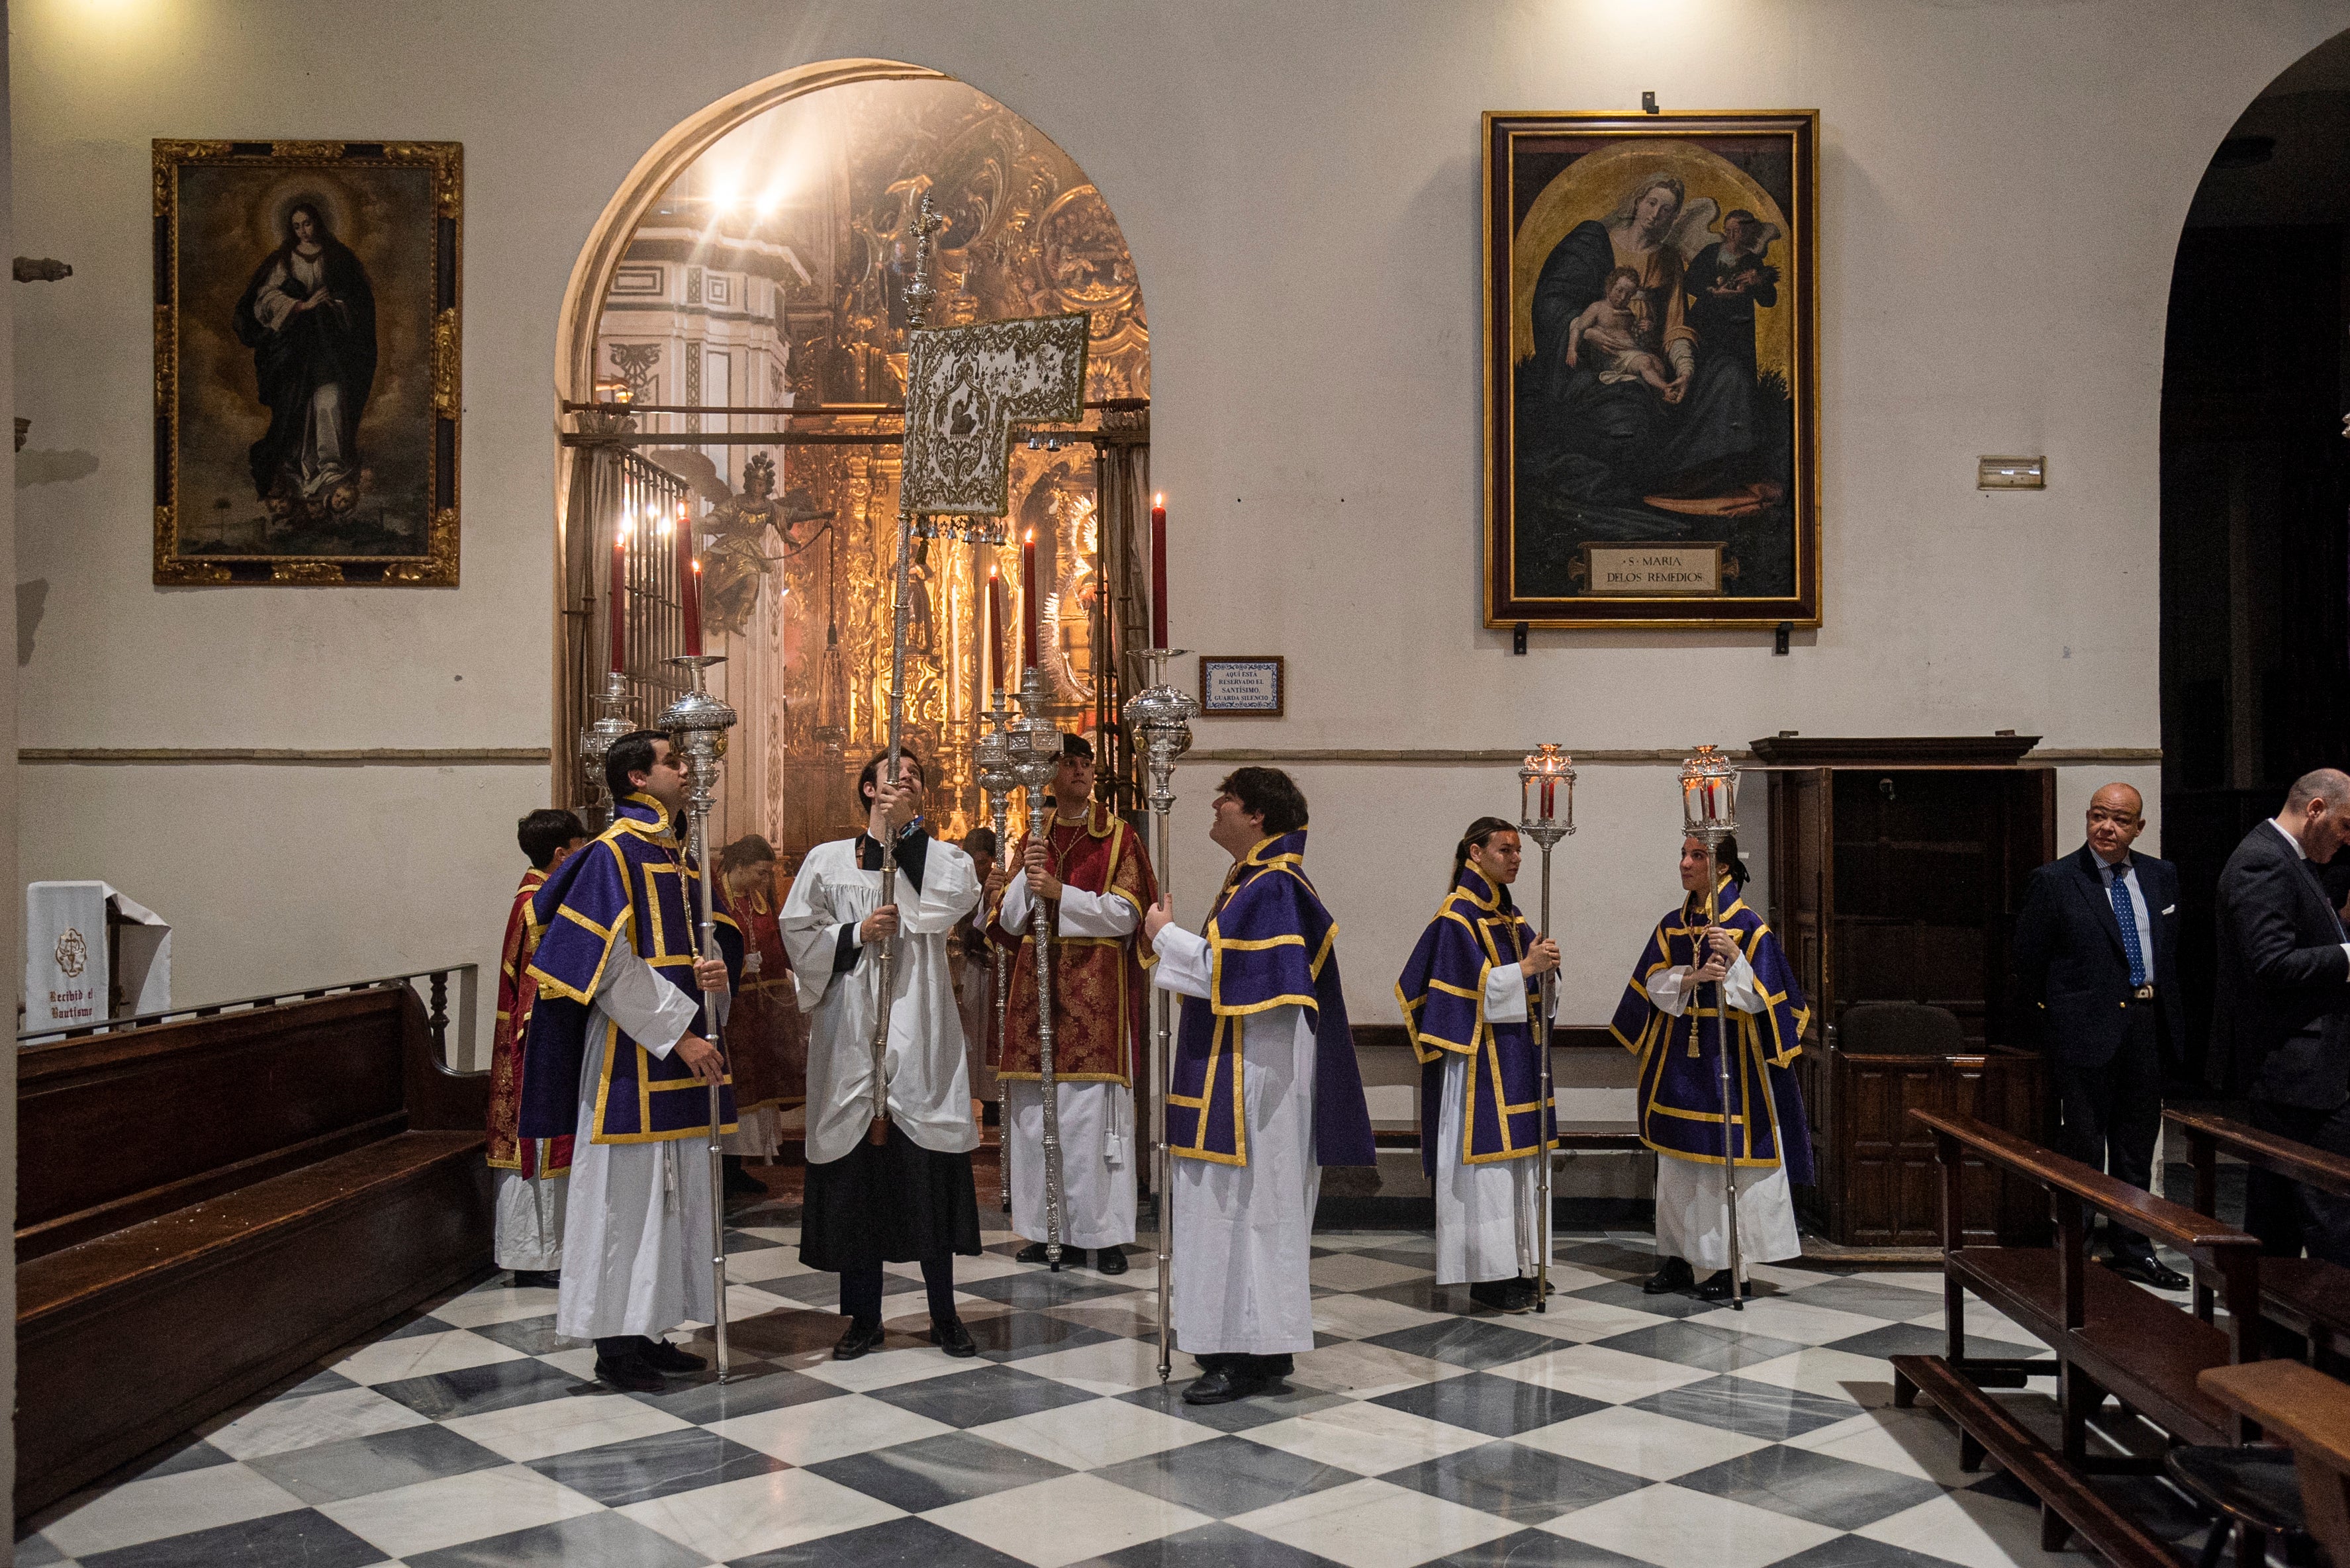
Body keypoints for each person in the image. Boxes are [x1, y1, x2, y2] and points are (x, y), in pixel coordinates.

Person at [1141, 766, 1375, 1403]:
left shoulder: (1273, 885)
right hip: (1243, 1069)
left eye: (1229, 798)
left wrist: (1163, 936)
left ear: (1258, 816)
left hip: (1254, 1081)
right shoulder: (1254, 880)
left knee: (1242, 1213)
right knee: (1248, 1212)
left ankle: (1242, 1355)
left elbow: (1236, 976)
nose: (1216, 805)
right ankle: (1261, 1345)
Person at [519, 731, 738, 1392]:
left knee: (673, 1200)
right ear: (637, 778)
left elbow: (701, 947)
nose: (687, 769)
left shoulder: (679, 856)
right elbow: (605, 964)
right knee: (624, 1201)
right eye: (674, 761)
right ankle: (615, 1346)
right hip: (629, 1053)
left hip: (678, 1043)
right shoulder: (611, 854)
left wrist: (714, 977)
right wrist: (680, 1034)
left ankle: (651, 1328)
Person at [782, 749, 984, 1360]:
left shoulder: (943, 857)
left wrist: (911, 833)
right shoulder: (826, 860)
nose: (905, 779)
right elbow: (799, 933)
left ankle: (945, 1314)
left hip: (918, 1030)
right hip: (851, 1031)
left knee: (927, 1178)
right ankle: (863, 1318)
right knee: (858, 1187)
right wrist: (855, 933)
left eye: (915, 775)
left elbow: (956, 899)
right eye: (894, 773)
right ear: (868, 788)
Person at [984, 733, 1160, 1274]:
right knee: (1036, 1119)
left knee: (1090, 1124)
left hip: (1094, 993)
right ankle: (1046, 1230)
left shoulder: (1118, 835)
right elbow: (1008, 920)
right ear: (1049, 773)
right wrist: (1023, 878)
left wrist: (1063, 894)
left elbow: (1129, 913)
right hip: (1036, 994)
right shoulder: (1033, 836)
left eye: (1087, 763)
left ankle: (1102, 1235)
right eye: (1069, 763)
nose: (1081, 771)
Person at [1609, 834, 1811, 1300]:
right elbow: (1651, 985)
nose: (1685, 863)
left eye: (1697, 855)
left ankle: (1729, 1265)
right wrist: (1693, 977)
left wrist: (1737, 961)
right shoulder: (1671, 927)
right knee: (1678, 1165)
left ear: (1722, 866)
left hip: (1734, 1067)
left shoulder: (1749, 928)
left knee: (1725, 1170)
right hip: (1680, 1065)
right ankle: (1677, 1258)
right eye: (1683, 854)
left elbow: (1772, 1002)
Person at [2012, 783, 2186, 1287]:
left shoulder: (2161, 875)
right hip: (2084, 1031)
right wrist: (2059, 1021)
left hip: (2147, 1024)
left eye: (2120, 820)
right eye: (2098, 816)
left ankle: (2134, 1248)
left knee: (2136, 1147)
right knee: (2083, 1147)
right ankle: (2075, 1252)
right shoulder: (2055, 880)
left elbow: (2171, 953)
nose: (2106, 827)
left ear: (2139, 827)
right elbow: (2028, 962)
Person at [1396, 817, 1560, 1313]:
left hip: (1516, 1060)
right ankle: (1489, 1276)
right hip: (1477, 1069)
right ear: (1475, 853)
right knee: (1487, 1177)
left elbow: (1535, 990)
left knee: (1517, 1169)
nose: (1515, 858)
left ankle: (1521, 1263)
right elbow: (1465, 994)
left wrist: (1546, 973)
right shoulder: (1457, 917)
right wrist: (1527, 968)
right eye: (1505, 849)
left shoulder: (1511, 917)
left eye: (1518, 851)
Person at [2210, 768, 2350, 1264]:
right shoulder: (2264, 861)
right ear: (2316, 809)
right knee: (2329, 1214)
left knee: (2281, 1215)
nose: (2348, 839)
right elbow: (2271, 963)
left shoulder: (2288, 858)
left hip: (2304, 1073)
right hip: (2299, 1075)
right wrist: (2348, 956)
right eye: (2346, 825)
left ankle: (2267, 1311)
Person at [487, 807, 587, 1289]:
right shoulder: (538, 903)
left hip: (539, 1038)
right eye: (580, 849)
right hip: (536, 1044)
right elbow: (537, 986)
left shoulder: (537, 895)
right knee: (542, 1144)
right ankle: (536, 1256)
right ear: (561, 855)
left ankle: (541, 1254)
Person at [232, 201, 377, 510]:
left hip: (330, 347)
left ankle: (330, 468)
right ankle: (300, 472)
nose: (303, 231)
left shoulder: (338, 258)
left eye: (308, 224)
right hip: (295, 351)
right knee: (296, 408)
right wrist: (301, 306)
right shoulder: (283, 260)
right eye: (297, 226)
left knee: (330, 401)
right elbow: (263, 299)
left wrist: (333, 306)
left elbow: (359, 302)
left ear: (318, 222)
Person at [717, 834, 808, 1200]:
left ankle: (739, 1167)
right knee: (732, 1090)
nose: (766, 880)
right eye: (760, 872)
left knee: (757, 1091)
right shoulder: (715, 896)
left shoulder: (758, 898)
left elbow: (775, 944)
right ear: (739, 866)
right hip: (729, 1011)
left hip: (759, 1012)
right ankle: (723, 1169)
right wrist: (737, 965)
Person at [1683, 210, 1781, 375]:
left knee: (1734, 372)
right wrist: (1713, 291)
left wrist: (1758, 282)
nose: (1731, 235)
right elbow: (1688, 282)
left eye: (1737, 231)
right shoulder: (1711, 252)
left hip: (1736, 330)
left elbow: (1769, 301)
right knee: (1700, 370)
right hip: (1705, 323)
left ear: (1748, 232)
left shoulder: (1753, 261)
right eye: (1728, 230)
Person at [1565, 267, 1675, 393]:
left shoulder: (1628, 312)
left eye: (1629, 295)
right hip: (1615, 358)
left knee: (1659, 366)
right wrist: (1571, 349)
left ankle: (1658, 393)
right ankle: (1666, 388)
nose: (1623, 298)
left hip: (1631, 351)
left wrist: (1647, 327)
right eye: (1619, 291)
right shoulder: (1597, 308)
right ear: (1609, 288)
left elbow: (1636, 334)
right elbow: (1578, 328)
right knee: (1645, 363)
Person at [956, 826, 1000, 1121]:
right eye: (971, 861)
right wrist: (983, 898)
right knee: (973, 1041)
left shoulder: (1003, 883)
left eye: (982, 862)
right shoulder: (964, 888)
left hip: (999, 972)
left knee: (995, 1039)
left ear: (993, 859)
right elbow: (966, 934)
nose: (977, 868)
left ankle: (996, 1103)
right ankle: (977, 1101)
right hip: (974, 968)